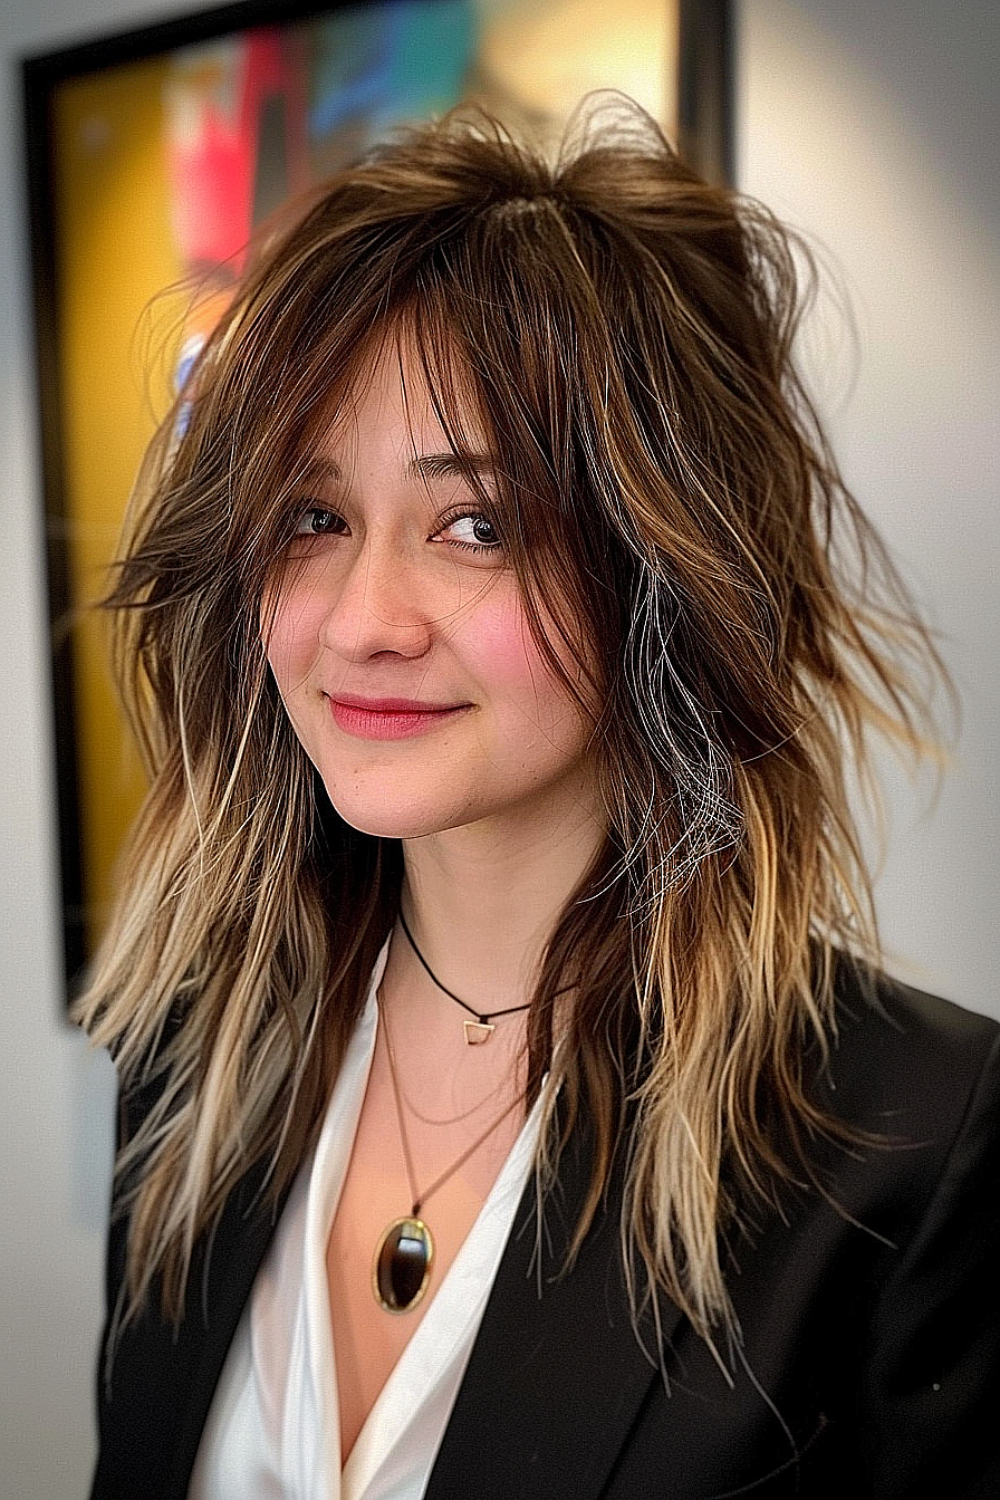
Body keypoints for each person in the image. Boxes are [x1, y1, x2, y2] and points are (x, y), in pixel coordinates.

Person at [77, 100, 999, 1500]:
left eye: (479, 524)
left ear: (658, 574)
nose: (362, 620)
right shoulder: (195, 1052)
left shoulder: (909, 1143)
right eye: (315, 518)